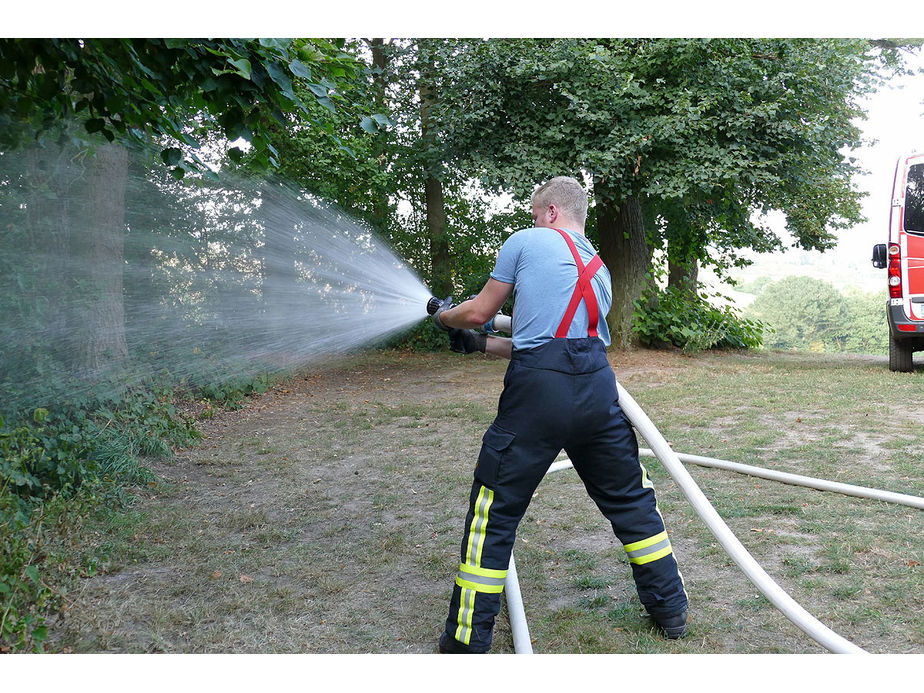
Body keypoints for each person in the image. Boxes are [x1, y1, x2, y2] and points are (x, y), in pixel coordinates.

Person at [431, 176, 688, 654]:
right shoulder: (600, 267)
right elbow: (553, 342)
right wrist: (485, 343)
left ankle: (465, 645)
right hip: (596, 391)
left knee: (496, 512)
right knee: (632, 501)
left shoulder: (525, 241)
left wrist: (447, 317)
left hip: (536, 399)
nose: (533, 222)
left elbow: (479, 311)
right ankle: (671, 611)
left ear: (550, 212)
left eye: (535, 214)